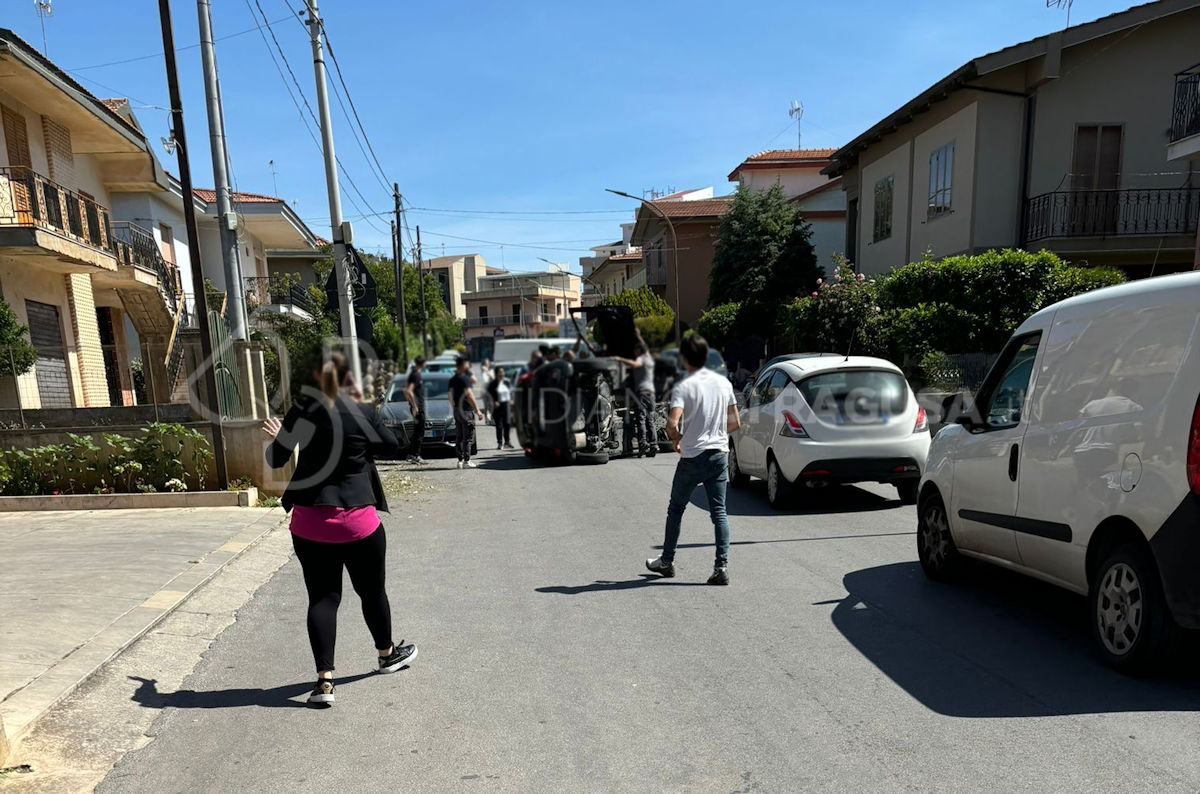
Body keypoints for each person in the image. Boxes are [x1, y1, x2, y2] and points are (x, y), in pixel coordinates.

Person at [263, 350, 417, 707]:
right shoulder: (361, 411)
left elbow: (276, 459)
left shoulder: (303, 409)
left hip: (309, 522)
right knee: (372, 591)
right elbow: (394, 447)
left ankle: (324, 684)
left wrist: (280, 436)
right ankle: (386, 655)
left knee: (323, 598)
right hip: (357, 521)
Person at [645, 334, 740, 586]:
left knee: (676, 509)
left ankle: (666, 561)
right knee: (719, 512)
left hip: (691, 457)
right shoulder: (724, 383)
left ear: (685, 358)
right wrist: (715, 435)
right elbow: (735, 423)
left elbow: (671, 423)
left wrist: (677, 439)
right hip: (719, 455)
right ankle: (721, 567)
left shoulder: (684, 386)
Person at [615, 342, 656, 458]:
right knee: (650, 420)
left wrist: (620, 359)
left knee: (641, 420)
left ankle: (642, 445)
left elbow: (634, 364)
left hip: (642, 393)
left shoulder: (641, 359)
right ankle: (653, 445)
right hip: (651, 393)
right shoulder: (650, 359)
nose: (634, 352)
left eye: (636, 350)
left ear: (639, 351)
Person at [449, 356, 483, 468]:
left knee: (459, 435)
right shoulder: (464, 378)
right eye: (467, 364)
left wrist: (454, 407)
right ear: (463, 365)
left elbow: (449, 396)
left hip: (457, 410)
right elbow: (469, 394)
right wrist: (477, 410)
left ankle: (459, 460)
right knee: (468, 436)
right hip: (466, 411)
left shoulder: (452, 379)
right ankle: (467, 461)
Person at [404, 355, 427, 464]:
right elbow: (408, 391)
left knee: (416, 432)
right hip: (418, 408)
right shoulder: (416, 375)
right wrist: (414, 405)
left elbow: (405, 390)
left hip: (416, 407)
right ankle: (416, 455)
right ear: (423, 364)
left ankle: (411, 454)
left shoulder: (412, 374)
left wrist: (411, 403)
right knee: (419, 432)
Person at [487, 367, 513, 449]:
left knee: (507, 424)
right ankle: (500, 442)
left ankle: (507, 442)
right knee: (499, 425)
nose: (502, 373)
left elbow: (510, 392)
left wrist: (511, 400)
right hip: (497, 407)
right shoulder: (492, 384)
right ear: (496, 373)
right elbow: (488, 395)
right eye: (500, 372)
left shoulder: (507, 382)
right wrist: (494, 401)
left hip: (506, 405)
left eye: (503, 372)